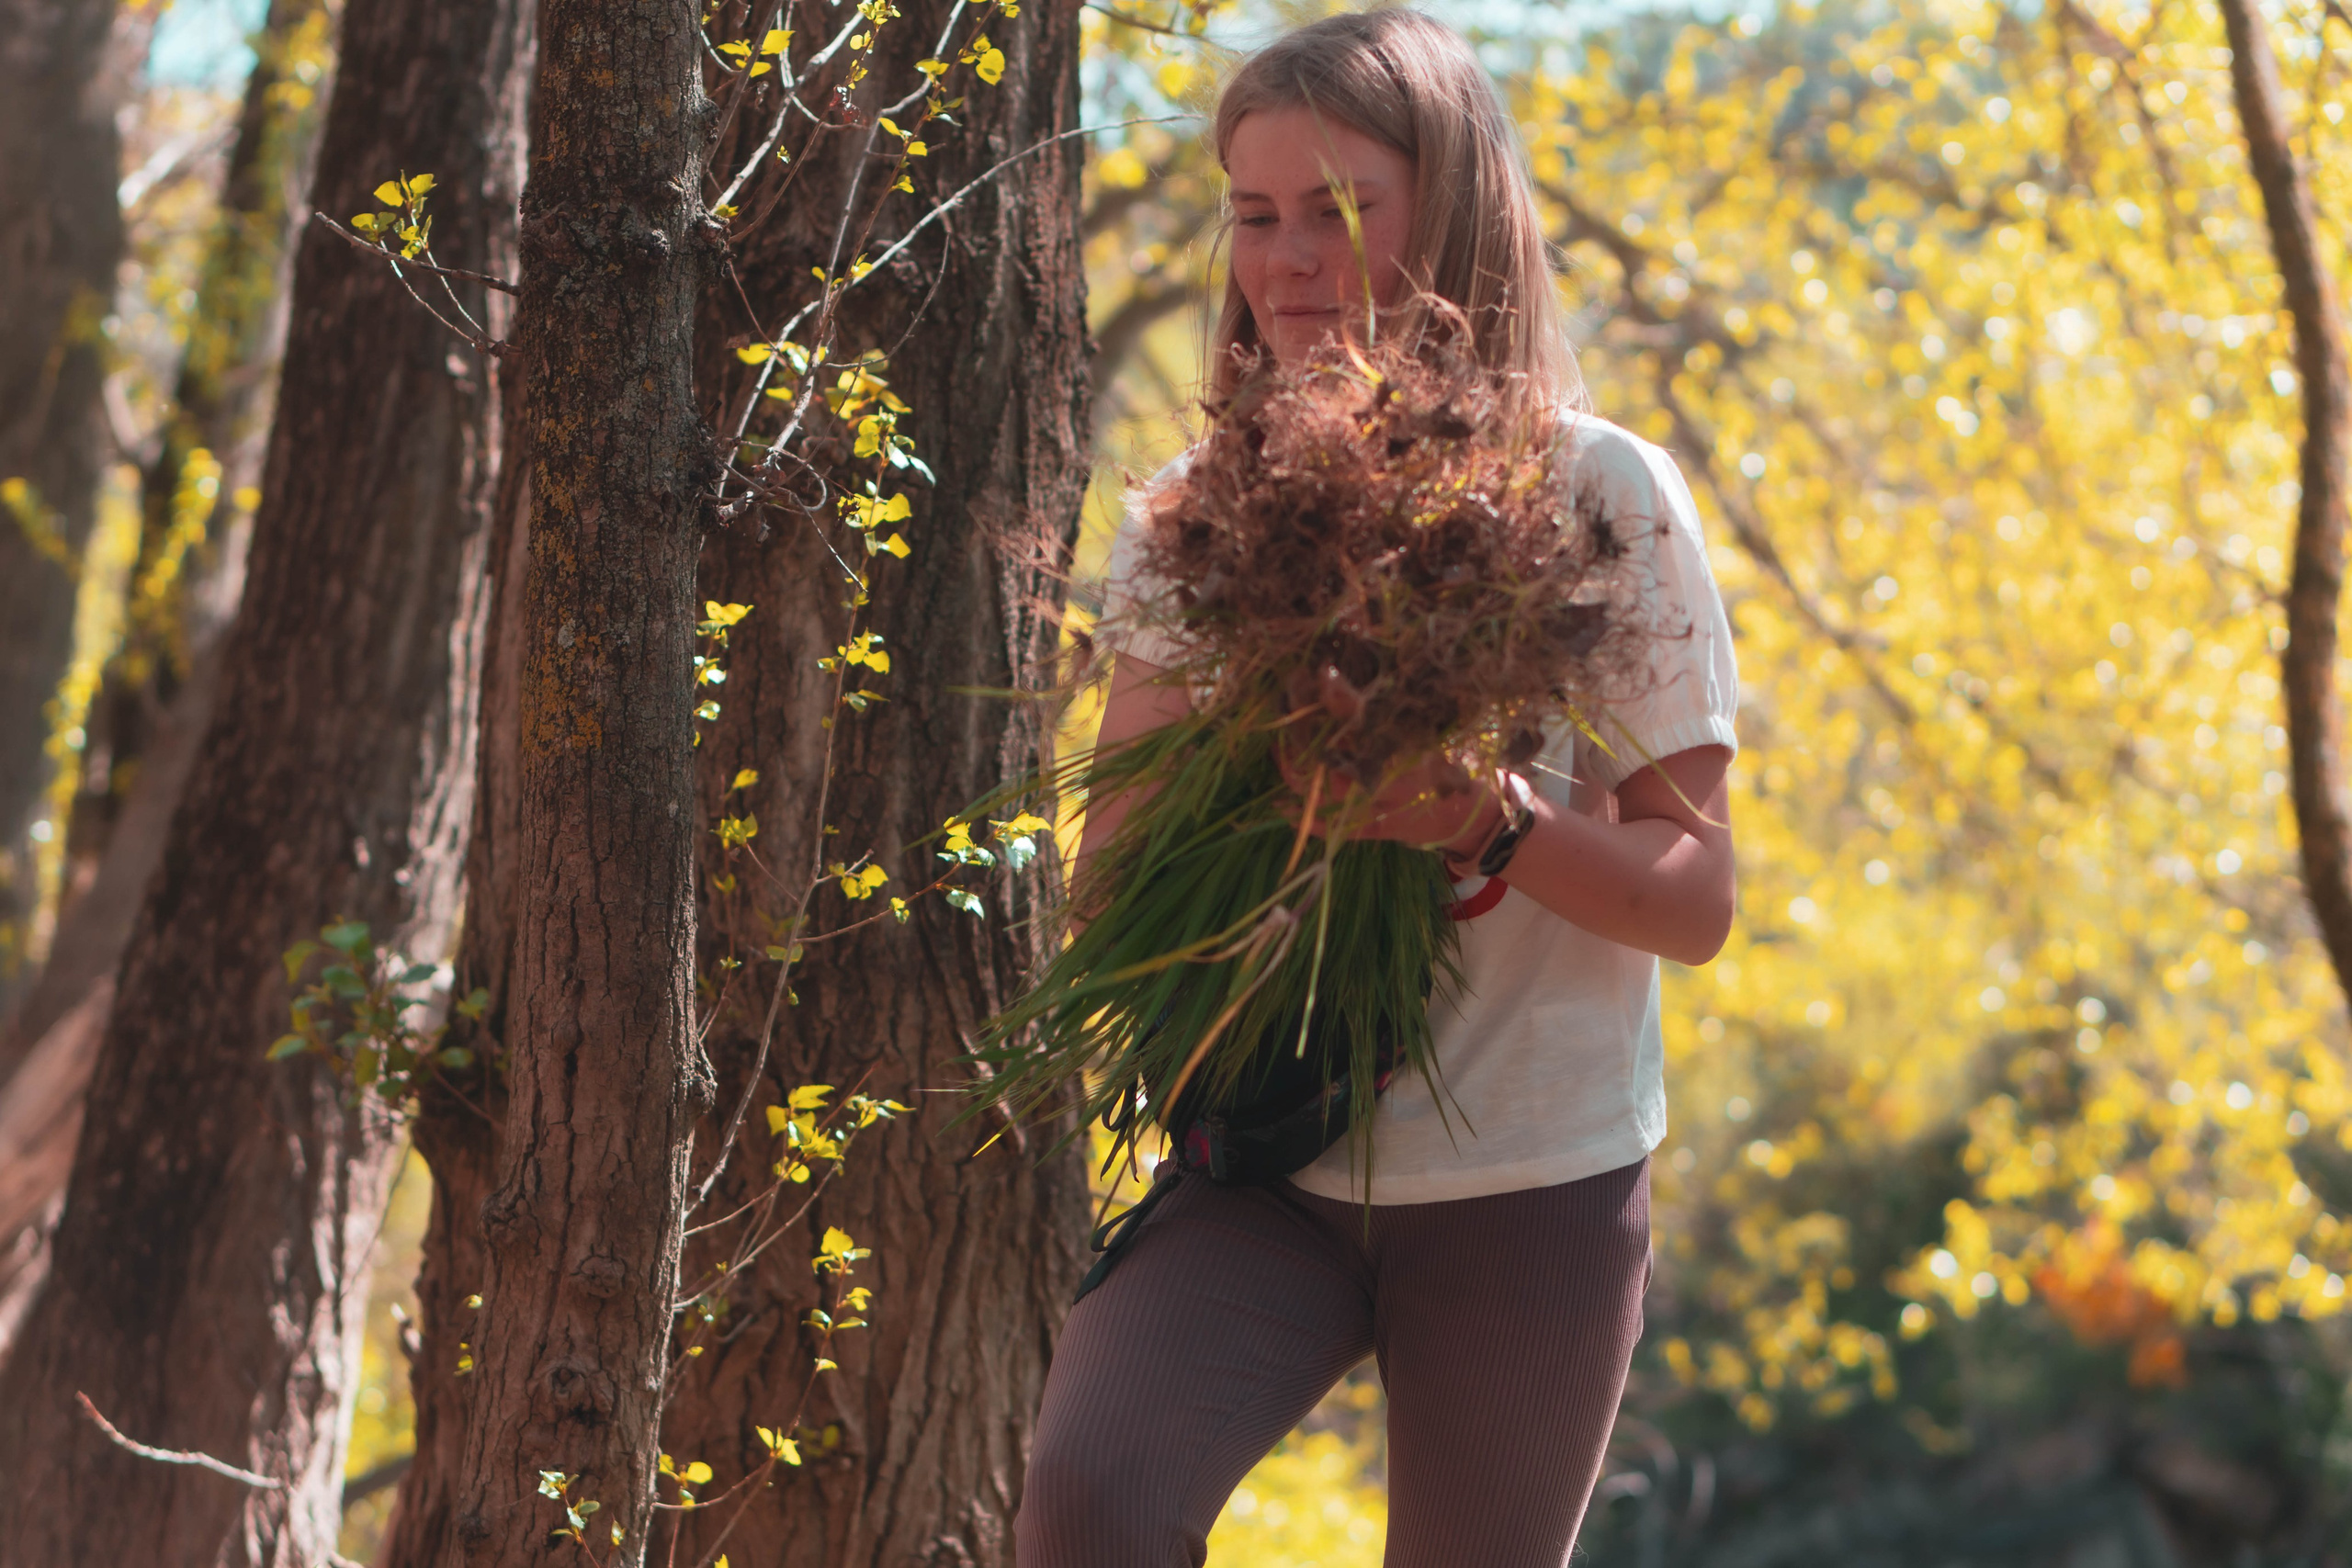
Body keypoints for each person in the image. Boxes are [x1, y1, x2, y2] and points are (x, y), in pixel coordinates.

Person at [1014, 11, 1739, 1565]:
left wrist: (1487, 818)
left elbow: (1695, 903)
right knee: (1092, 1505)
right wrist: (1249, 780)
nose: (1285, 263)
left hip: (1532, 1183)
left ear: (1456, 209)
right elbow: (1106, 894)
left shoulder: (1599, 493)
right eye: (1256, 216)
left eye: (1339, 212)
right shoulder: (1190, 522)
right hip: (1267, 1161)